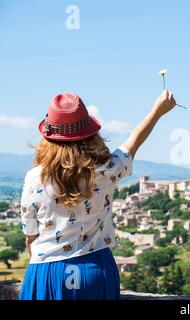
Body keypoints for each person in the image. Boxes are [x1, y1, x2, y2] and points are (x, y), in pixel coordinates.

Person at [19, 90, 176, 300]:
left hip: (46, 271)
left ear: (48, 137)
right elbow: (133, 143)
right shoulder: (106, 170)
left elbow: (31, 237)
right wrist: (157, 111)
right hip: (95, 269)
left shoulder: (33, 178)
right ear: (90, 134)